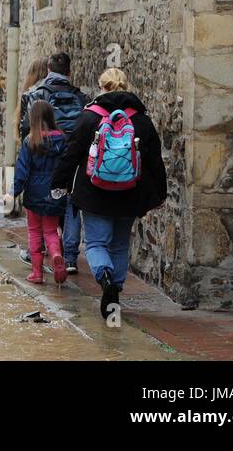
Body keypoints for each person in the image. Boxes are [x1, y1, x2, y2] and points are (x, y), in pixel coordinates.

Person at [50, 67, 167, 321]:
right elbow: (155, 160)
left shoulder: (90, 117)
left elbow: (71, 153)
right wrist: (160, 193)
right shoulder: (141, 119)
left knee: (95, 243)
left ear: (102, 87)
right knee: (120, 244)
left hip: (94, 192)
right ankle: (117, 287)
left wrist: (58, 183)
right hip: (129, 193)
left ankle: (105, 280)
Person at [19, 52, 87, 273]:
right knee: (71, 204)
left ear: (48, 69)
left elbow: (25, 130)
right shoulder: (80, 96)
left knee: (40, 214)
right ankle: (69, 259)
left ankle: (36, 254)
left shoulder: (35, 94)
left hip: (43, 161)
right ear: (69, 71)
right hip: (74, 158)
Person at [9, 100, 69, 285]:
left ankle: (37, 273)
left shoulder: (30, 141)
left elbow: (22, 170)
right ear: (51, 117)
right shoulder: (63, 140)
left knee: (35, 232)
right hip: (56, 192)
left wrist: (13, 192)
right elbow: (67, 166)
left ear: (33, 119)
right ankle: (56, 254)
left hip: (34, 193)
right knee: (51, 231)